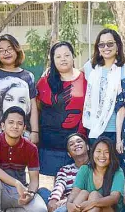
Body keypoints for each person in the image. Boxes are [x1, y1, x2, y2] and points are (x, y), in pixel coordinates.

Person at [82, 29, 125, 175]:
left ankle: (118, 198)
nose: (106, 48)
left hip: (117, 131)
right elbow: (72, 73)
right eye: (101, 45)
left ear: (118, 47)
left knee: (118, 170)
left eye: (110, 44)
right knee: (98, 171)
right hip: (95, 129)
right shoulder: (90, 68)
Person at [0, 106, 47, 212]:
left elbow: (34, 180)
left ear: (24, 128)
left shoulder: (31, 148)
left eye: (20, 124)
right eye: (11, 122)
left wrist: (30, 194)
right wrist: (16, 183)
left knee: (40, 210)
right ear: (3, 125)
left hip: (19, 192)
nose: (15, 126)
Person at [36, 41, 87, 176]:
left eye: (66, 55)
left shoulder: (84, 79)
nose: (63, 59)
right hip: (49, 145)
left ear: (73, 57)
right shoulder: (43, 82)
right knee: (50, 188)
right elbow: (37, 108)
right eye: (58, 57)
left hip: (77, 143)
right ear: (52, 60)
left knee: (76, 185)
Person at [0, 34, 39, 143]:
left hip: (24, 137)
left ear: (17, 50)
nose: (6, 53)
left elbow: (33, 105)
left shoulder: (28, 76)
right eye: (1, 50)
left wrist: (35, 132)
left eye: (10, 49)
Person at [66, 137, 125, 212]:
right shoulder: (85, 169)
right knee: (84, 193)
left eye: (107, 152)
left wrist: (93, 203)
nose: (102, 155)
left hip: (110, 209)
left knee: (94, 195)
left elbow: (114, 198)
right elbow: (75, 192)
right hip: (87, 208)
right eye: (98, 151)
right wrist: (69, 204)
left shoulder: (117, 171)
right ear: (93, 152)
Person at [37, 133, 90, 212]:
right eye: (71, 144)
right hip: (62, 200)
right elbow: (59, 185)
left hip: (80, 201)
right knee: (42, 191)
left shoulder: (95, 167)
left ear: (88, 147)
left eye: (79, 141)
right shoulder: (65, 169)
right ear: (69, 154)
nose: (76, 144)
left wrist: (66, 201)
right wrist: (54, 199)